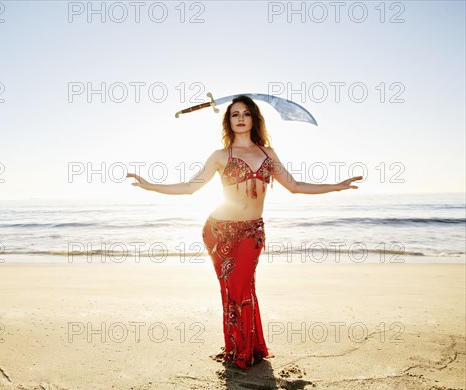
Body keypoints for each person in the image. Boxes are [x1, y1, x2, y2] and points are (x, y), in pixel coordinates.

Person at [126, 95, 362, 369]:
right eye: (235, 113)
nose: (240, 118)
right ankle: (241, 348)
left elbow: (295, 186)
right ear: (228, 120)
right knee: (233, 291)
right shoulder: (219, 156)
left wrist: (336, 186)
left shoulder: (267, 154)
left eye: (246, 113)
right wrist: (151, 186)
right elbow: (190, 188)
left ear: (254, 119)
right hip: (219, 232)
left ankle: (246, 348)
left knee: (242, 287)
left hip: (251, 231)